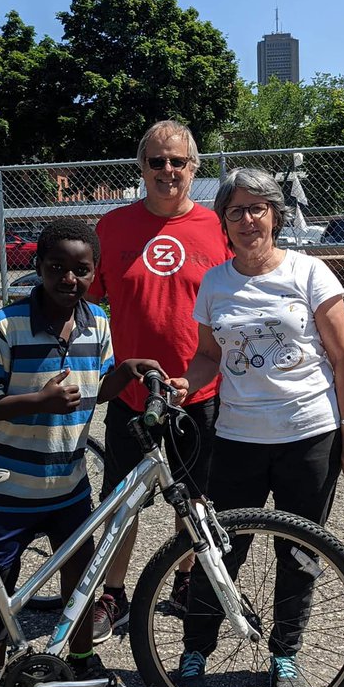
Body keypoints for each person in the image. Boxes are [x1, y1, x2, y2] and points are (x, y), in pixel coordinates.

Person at [171, 167, 344, 687]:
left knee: (299, 552)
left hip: (309, 435)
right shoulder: (215, 282)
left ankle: (285, 656)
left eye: (257, 209)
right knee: (222, 549)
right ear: (224, 222)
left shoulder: (311, 274)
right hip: (237, 437)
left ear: (276, 216)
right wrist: (181, 384)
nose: (246, 220)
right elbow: (209, 356)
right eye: (235, 211)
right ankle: (196, 650)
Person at [0, 218, 167, 676]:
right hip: (5, 489)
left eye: (82, 269)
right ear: (37, 267)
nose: (69, 279)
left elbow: (101, 387)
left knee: (81, 576)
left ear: (95, 274)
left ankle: (80, 655)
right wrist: (40, 401)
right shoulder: (4, 327)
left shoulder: (98, 324)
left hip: (68, 486)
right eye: (56, 267)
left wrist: (126, 370)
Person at [87, 120, 229, 643]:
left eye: (178, 161)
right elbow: (85, 298)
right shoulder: (113, 226)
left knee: (194, 499)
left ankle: (185, 582)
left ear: (194, 167)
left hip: (199, 390)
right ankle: (114, 596)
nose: (168, 171)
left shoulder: (218, 227)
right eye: (156, 161)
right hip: (134, 395)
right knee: (122, 504)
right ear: (141, 167)